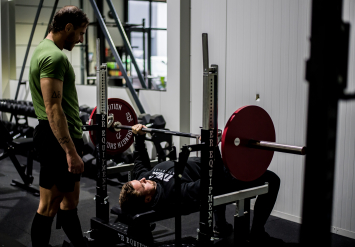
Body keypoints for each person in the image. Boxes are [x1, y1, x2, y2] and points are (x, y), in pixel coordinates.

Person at [119, 124, 284, 246]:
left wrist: (138, 137)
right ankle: (257, 233)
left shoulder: (146, 180)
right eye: (142, 184)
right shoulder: (174, 192)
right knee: (272, 180)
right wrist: (212, 147)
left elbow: (140, 164)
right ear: (148, 199)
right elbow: (212, 182)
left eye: (139, 180)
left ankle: (220, 226)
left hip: (212, 165)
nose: (143, 179)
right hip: (225, 177)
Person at [29, 6, 89, 247]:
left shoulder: (43, 49)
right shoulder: (54, 56)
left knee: (70, 201)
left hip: (63, 137)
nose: (81, 39)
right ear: (67, 28)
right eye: (80, 33)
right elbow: (53, 108)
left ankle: (79, 244)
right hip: (56, 141)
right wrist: (70, 152)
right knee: (49, 205)